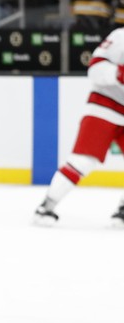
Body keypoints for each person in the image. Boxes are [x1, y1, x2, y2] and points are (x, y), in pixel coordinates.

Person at [35, 26, 124, 225]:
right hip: (105, 106)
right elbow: (95, 68)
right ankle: (46, 207)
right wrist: (119, 74)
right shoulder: (120, 37)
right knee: (83, 160)